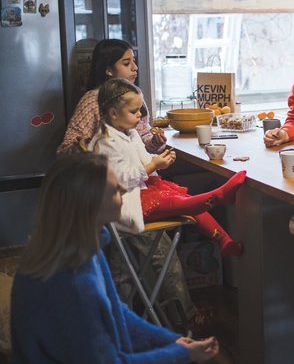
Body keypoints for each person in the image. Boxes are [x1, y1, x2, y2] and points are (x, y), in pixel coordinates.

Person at [11, 152, 219, 363]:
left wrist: (170, 341)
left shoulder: (81, 246)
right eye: (114, 190)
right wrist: (181, 355)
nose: (123, 189)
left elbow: (114, 312)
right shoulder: (72, 282)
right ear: (89, 204)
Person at [57, 38, 199, 333]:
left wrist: (153, 142)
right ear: (107, 70)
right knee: (156, 251)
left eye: (134, 61)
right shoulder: (93, 100)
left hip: (137, 185)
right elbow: (67, 150)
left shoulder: (132, 95)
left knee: (124, 266)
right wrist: (101, 149)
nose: (135, 68)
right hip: (116, 196)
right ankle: (184, 320)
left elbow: (140, 138)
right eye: (126, 62)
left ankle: (127, 323)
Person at [90, 78, 246, 257]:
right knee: (180, 204)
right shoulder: (105, 142)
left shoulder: (130, 133)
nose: (139, 115)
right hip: (123, 204)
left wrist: (159, 160)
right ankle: (216, 197)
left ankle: (224, 241)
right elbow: (122, 180)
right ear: (113, 113)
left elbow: (144, 159)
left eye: (139, 109)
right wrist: (153, 165)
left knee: (184, 199)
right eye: (133, 111)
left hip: (141, 191)